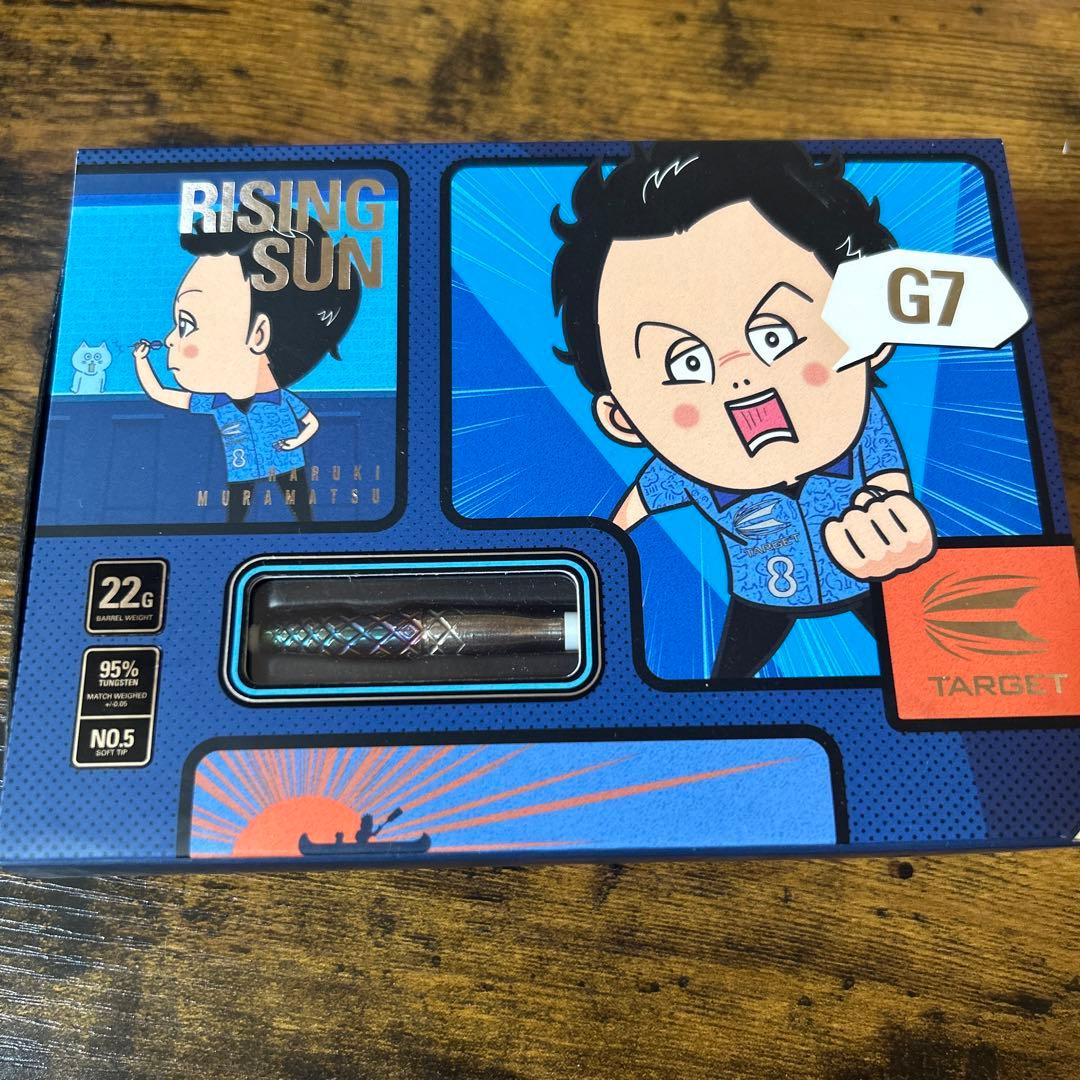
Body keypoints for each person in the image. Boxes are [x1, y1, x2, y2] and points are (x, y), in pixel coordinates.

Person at [551, 141, 937, 678]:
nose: (740, 374)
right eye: (686, 363)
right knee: (728, 681)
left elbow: (888, 476)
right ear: (623, 419)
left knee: (924, 660)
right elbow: (637, 504)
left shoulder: (862, 420)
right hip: (764, 596)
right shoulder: (685, 468)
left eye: (775, 335)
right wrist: (598, 547)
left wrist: (895, 520)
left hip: (868, 578)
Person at [133, 204, 360, 523]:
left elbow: (311, 423)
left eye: (186, 324)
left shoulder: (282, 400)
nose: (170, 340)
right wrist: (141, 361)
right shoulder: (217, 402)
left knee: (302, 514)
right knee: (235, 519)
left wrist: (295, 442)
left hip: (287, 465)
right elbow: (160, 394)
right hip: (242, 472)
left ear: (258, 334)